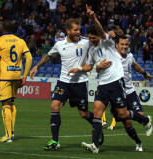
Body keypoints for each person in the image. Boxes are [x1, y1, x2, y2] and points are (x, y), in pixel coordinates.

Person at [68, 8, 153, 154]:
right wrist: (80, 69)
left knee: (123, 115)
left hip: (115, 83)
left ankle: (145, 121)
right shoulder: (92, 50)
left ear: (99, 37)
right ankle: (95, 145)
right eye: (90, 37)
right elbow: (89, 66)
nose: (92, 40)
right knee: (96, 113)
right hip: (102, 85)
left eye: (94, 37)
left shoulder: (106, 42)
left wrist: (94, 17)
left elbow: (101, 30)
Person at [29, 16, 102, 150]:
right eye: (75, 30)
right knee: (54, 106)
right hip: (63, 82)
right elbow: (49, 56)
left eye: (79, 30)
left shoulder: (86, 42)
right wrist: (36, 66)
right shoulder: (59, 44)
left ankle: (97, 126)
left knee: (84, 114)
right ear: (68, 31)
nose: (78, 32)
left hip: (80, 83)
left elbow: (100, 39)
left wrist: (110, 35)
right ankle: (55, 142)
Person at [0, 20, 33, 143]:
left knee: (5, 103)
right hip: (17, 74)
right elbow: (29, 58)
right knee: (11, 102)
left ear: (3, 28)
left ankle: (8, 135)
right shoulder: (20, 41)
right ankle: (12, 132)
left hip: (5, 76)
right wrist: (24, 76)